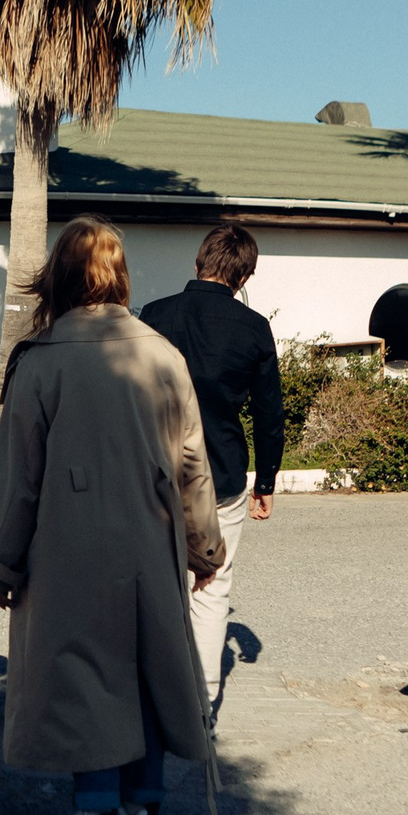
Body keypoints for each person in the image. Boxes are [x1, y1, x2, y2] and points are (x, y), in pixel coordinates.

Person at [0, 216, 225, 815]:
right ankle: (144, 812)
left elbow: (17, 477)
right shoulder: (163, 354)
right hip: (154, 535)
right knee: (146, 668)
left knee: (87, 675)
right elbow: (193, 464)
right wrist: (204, 551)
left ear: (58, 275)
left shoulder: (42, 359)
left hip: (68, 545)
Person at [140, 224, 284, 728]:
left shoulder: (154, 316)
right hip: (221, 474)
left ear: (198, 263)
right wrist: (266, 482)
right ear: (244, 275)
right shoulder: (253, 328)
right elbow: (269, 415)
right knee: (211, 588)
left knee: (156, 586)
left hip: (152, 471)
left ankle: (151, 695)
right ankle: (198, 707)